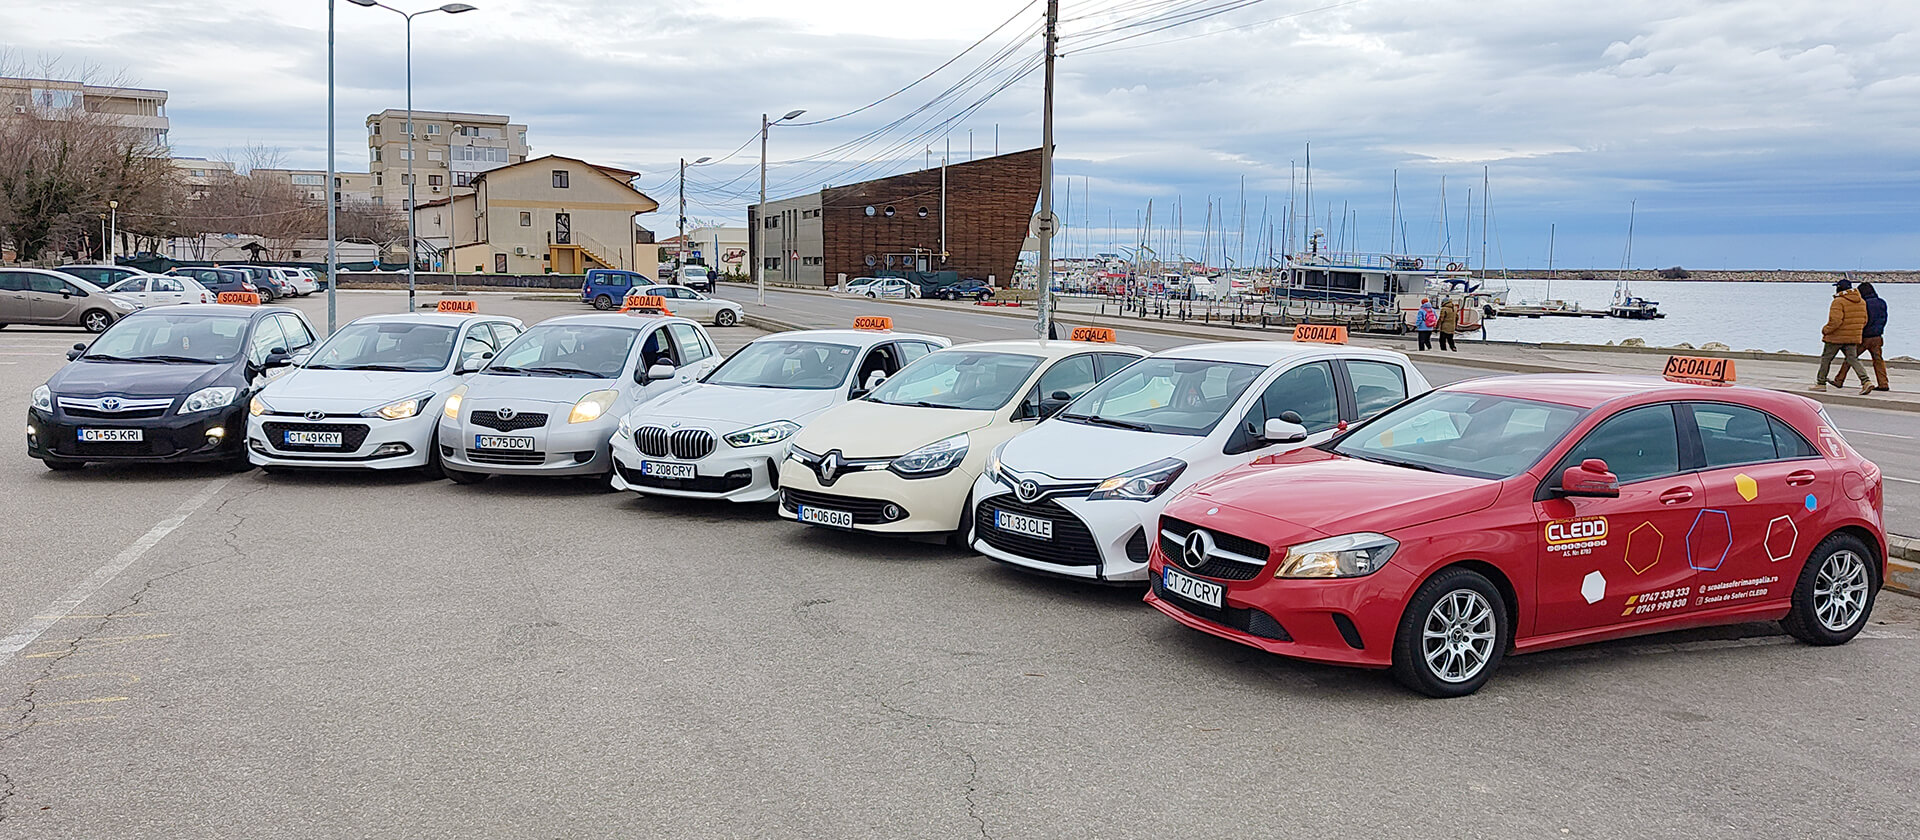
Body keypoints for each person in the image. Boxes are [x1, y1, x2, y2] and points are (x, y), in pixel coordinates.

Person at [1814, 279, 1873, 395]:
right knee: (1853, 359)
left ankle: (1820, 383)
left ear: (1839, 288)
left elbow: (1835, 321)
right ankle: (1866, 381)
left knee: (1826, 359)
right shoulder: (1861, 301)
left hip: (1836, 337)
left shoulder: (1838, 301)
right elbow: (1864, 320)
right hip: (1852, 337)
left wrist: (1825, 330)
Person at [1833, 282, 1890, 391]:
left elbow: (1863, 320)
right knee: (1878, 360)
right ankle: (1883, 383)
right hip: (1878, 336)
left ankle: (1839, 380)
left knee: (1851, 358)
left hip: (1865, 336)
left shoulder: (1863, 303)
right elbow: (1884, 318)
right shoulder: (1882, 302)